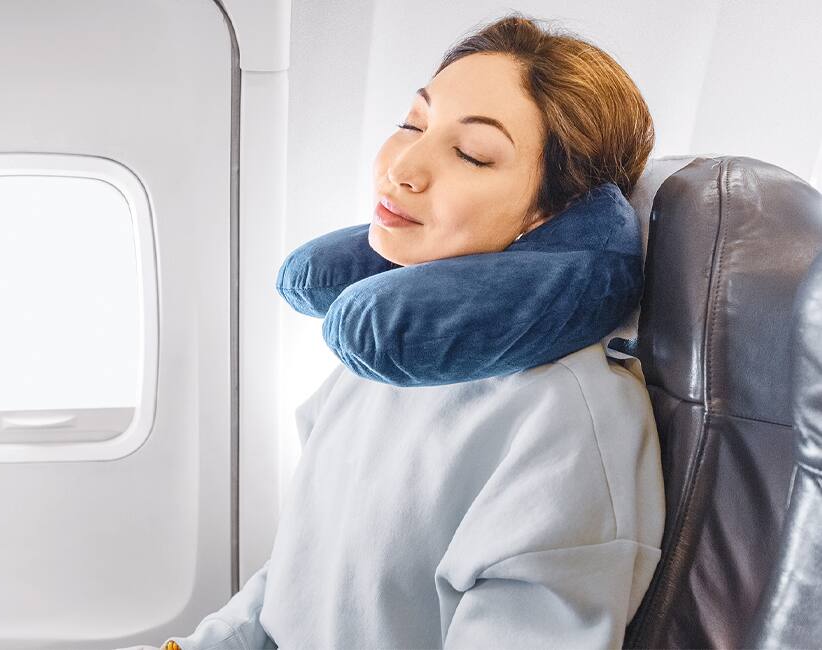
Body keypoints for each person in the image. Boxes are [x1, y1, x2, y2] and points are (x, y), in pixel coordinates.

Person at [148, 11, 665, 650]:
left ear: (549, 215)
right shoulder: (381, 354)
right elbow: (298, 577)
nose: (404, 168)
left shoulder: (568, 424)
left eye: (472, 153)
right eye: (412, 124)